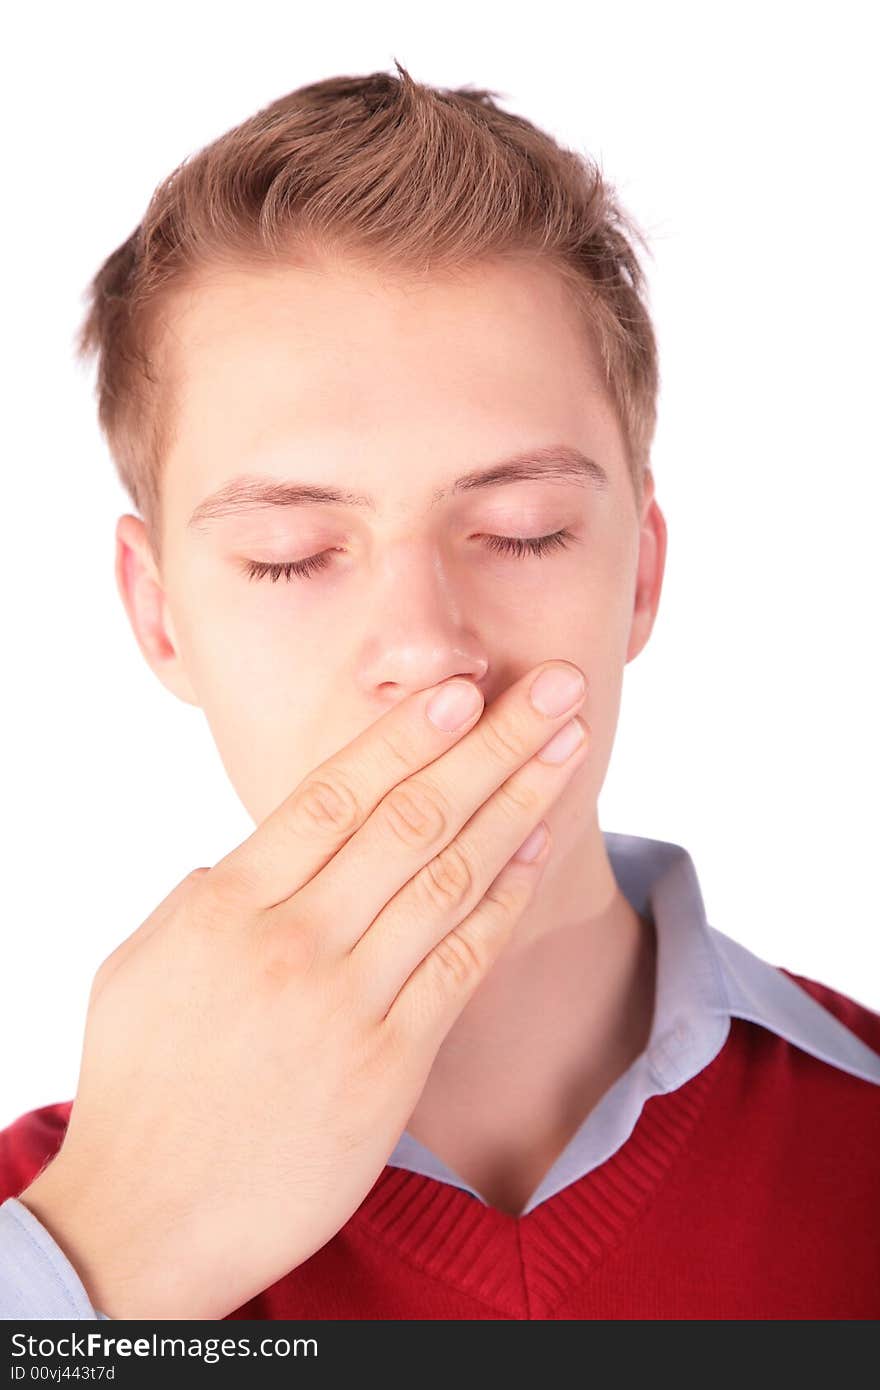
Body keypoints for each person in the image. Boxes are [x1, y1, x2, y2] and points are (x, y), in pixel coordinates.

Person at [1, 60, 878, 1323]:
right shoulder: (48, 1238)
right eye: (289, 555)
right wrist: (108, 1260)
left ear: (640, 575)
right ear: (158, 616)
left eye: (520, 531)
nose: (427, 648)